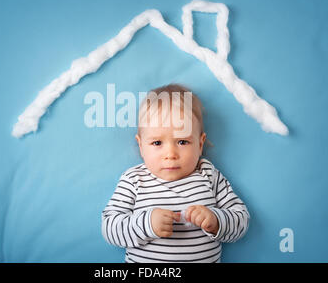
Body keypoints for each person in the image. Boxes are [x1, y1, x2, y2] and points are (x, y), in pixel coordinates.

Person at [101, 83, 250, 263]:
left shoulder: (209, 175)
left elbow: (241, 219)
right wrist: (146, 224)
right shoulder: (134, 179)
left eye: (182, 142)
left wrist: (216, 220)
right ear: (141, 146)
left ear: (200, 144)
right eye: (157, 143)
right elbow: (109, 228)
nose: (170, 154)